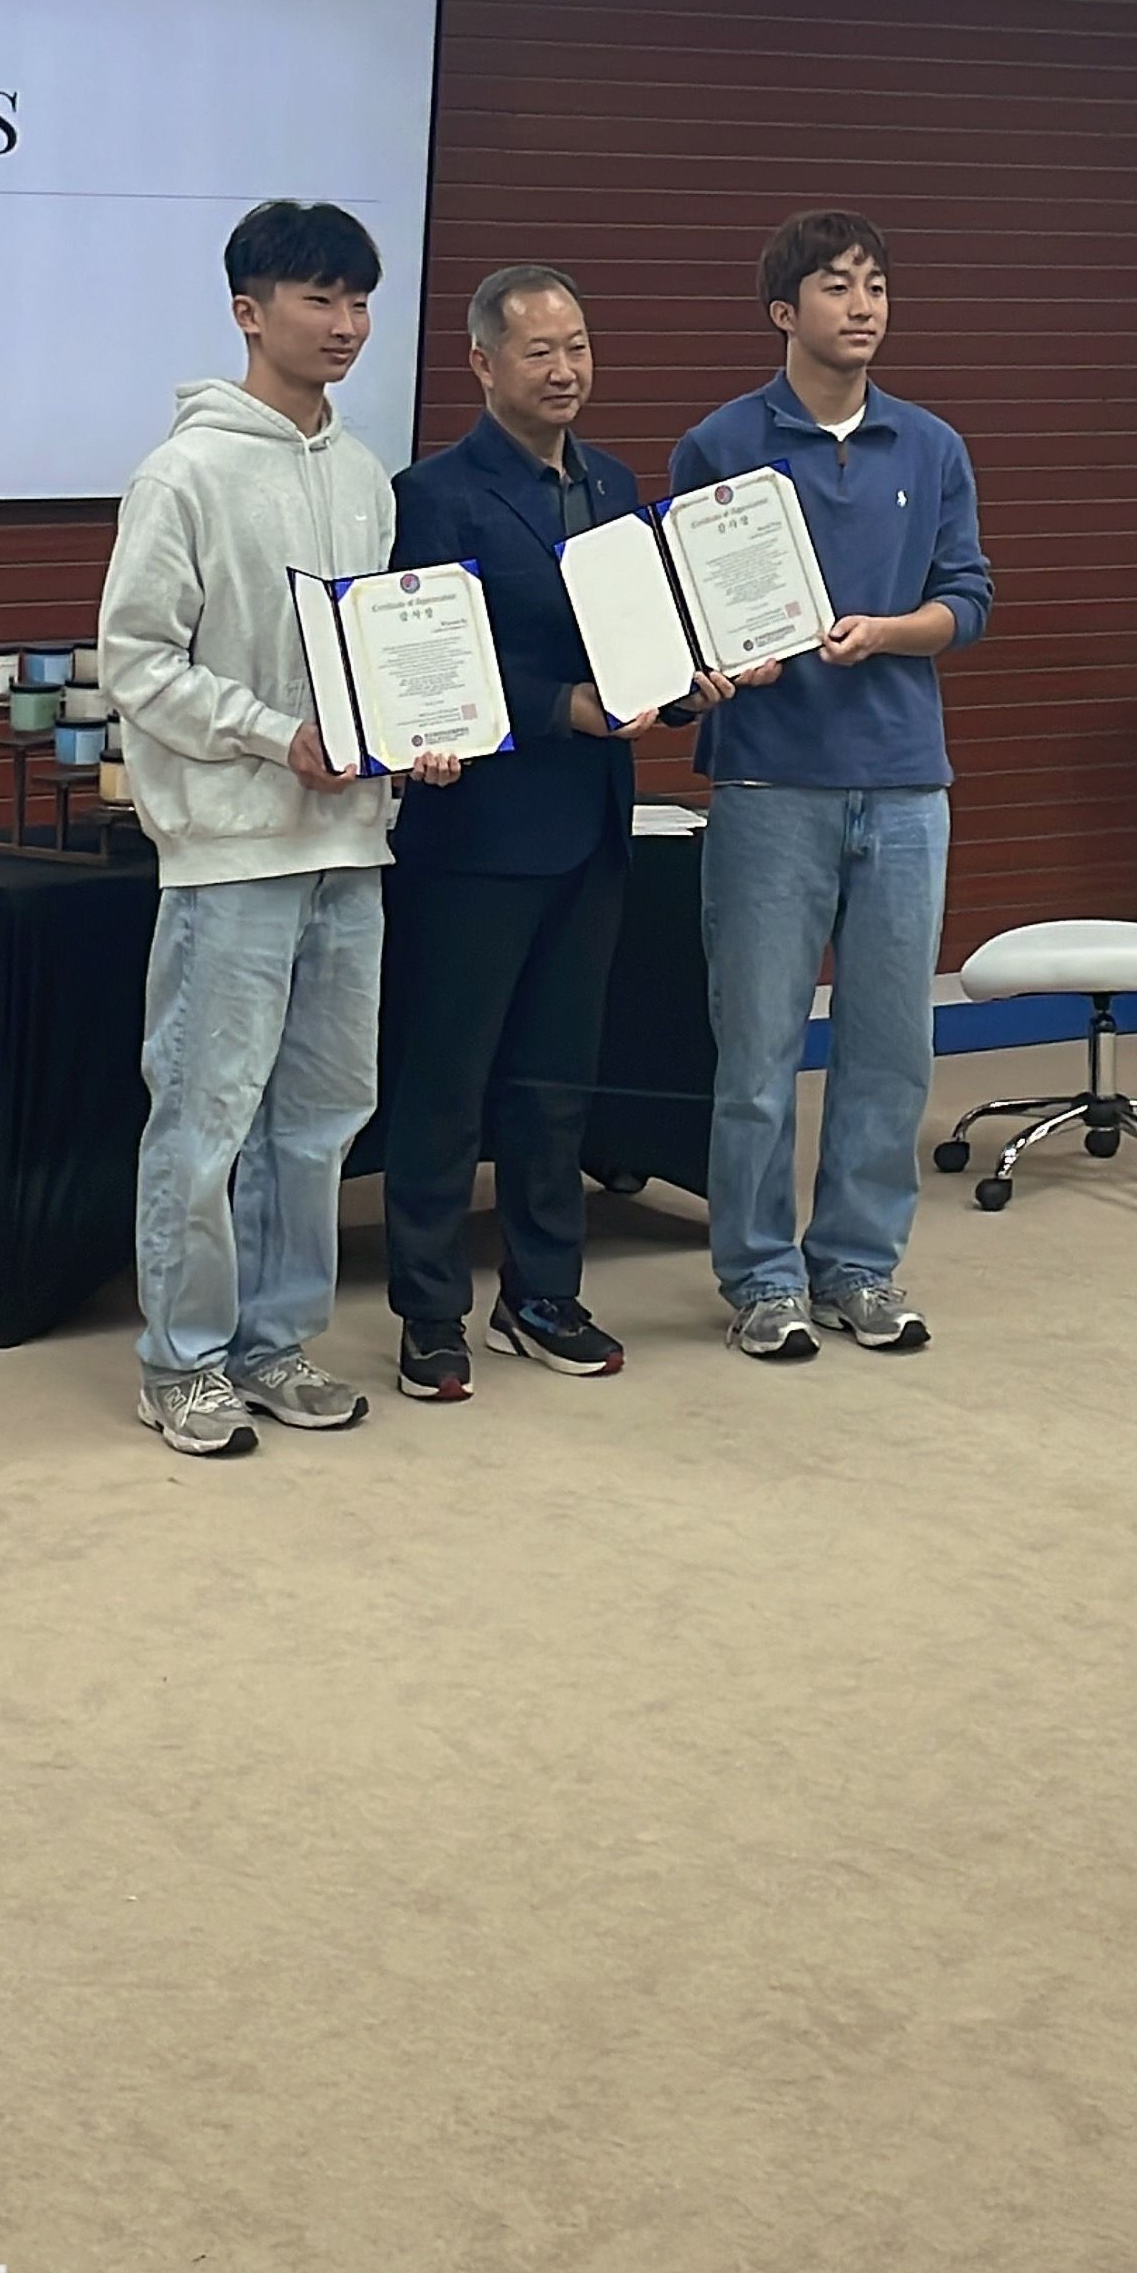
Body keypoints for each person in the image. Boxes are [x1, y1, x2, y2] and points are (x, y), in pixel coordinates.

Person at [99, 197, 457, 1458]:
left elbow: (382, 653)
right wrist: (272, 735)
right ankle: (180, 1362)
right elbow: (137, 661)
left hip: (350, 844)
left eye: (360, 301)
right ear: (249, 312)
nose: (346, 324)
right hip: (232, 851)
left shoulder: (362, 475)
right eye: (319, 299)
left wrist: (421, 729)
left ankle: (273, 1342)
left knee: (319, 1116)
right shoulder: (185, 474)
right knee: (205, 1118)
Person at [377, 264, 718, 1402]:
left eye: (577, 346)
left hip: (591, 827)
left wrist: (685, 685)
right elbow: (429, 666)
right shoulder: (433, 494)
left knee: (555, 1081)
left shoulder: (614, 483)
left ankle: (540, 1294)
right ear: (481, 363)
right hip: (474, 836)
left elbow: (634, 642)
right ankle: (430, 1313)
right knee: (445, 1082)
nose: (565, 369)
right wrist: (556, 707)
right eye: (539, 350)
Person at [669, 209, 991, 1365]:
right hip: (768, 781)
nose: (861, 306)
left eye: (875, 286)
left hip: (902, 782)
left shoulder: (929, 445)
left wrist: (891, 631)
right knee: (757, 1051)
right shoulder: (718, 444)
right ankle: (760, 1278)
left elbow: (968, 598)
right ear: (782, 310)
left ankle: (857, 1263)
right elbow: (689, 612)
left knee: (888, 1046)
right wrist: (717, 660)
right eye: (835, 286)